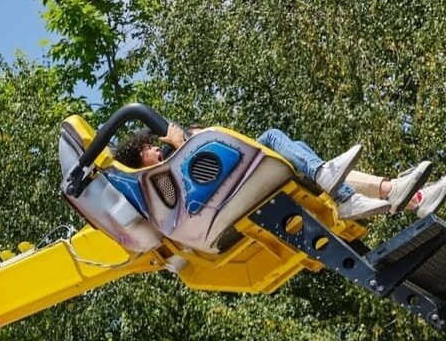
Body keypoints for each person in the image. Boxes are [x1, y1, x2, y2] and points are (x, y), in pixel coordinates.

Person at [113, 123, 443, 220]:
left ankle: (407, 196)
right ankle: (344, 190)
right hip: (230, 195)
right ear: (139, 161)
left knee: (298, 149)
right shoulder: (160, 182)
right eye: (146, 150)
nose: (155, 148)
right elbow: (196, 184)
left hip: (234, 186)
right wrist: (183, 139)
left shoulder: (165, 173)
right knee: (272, 138)